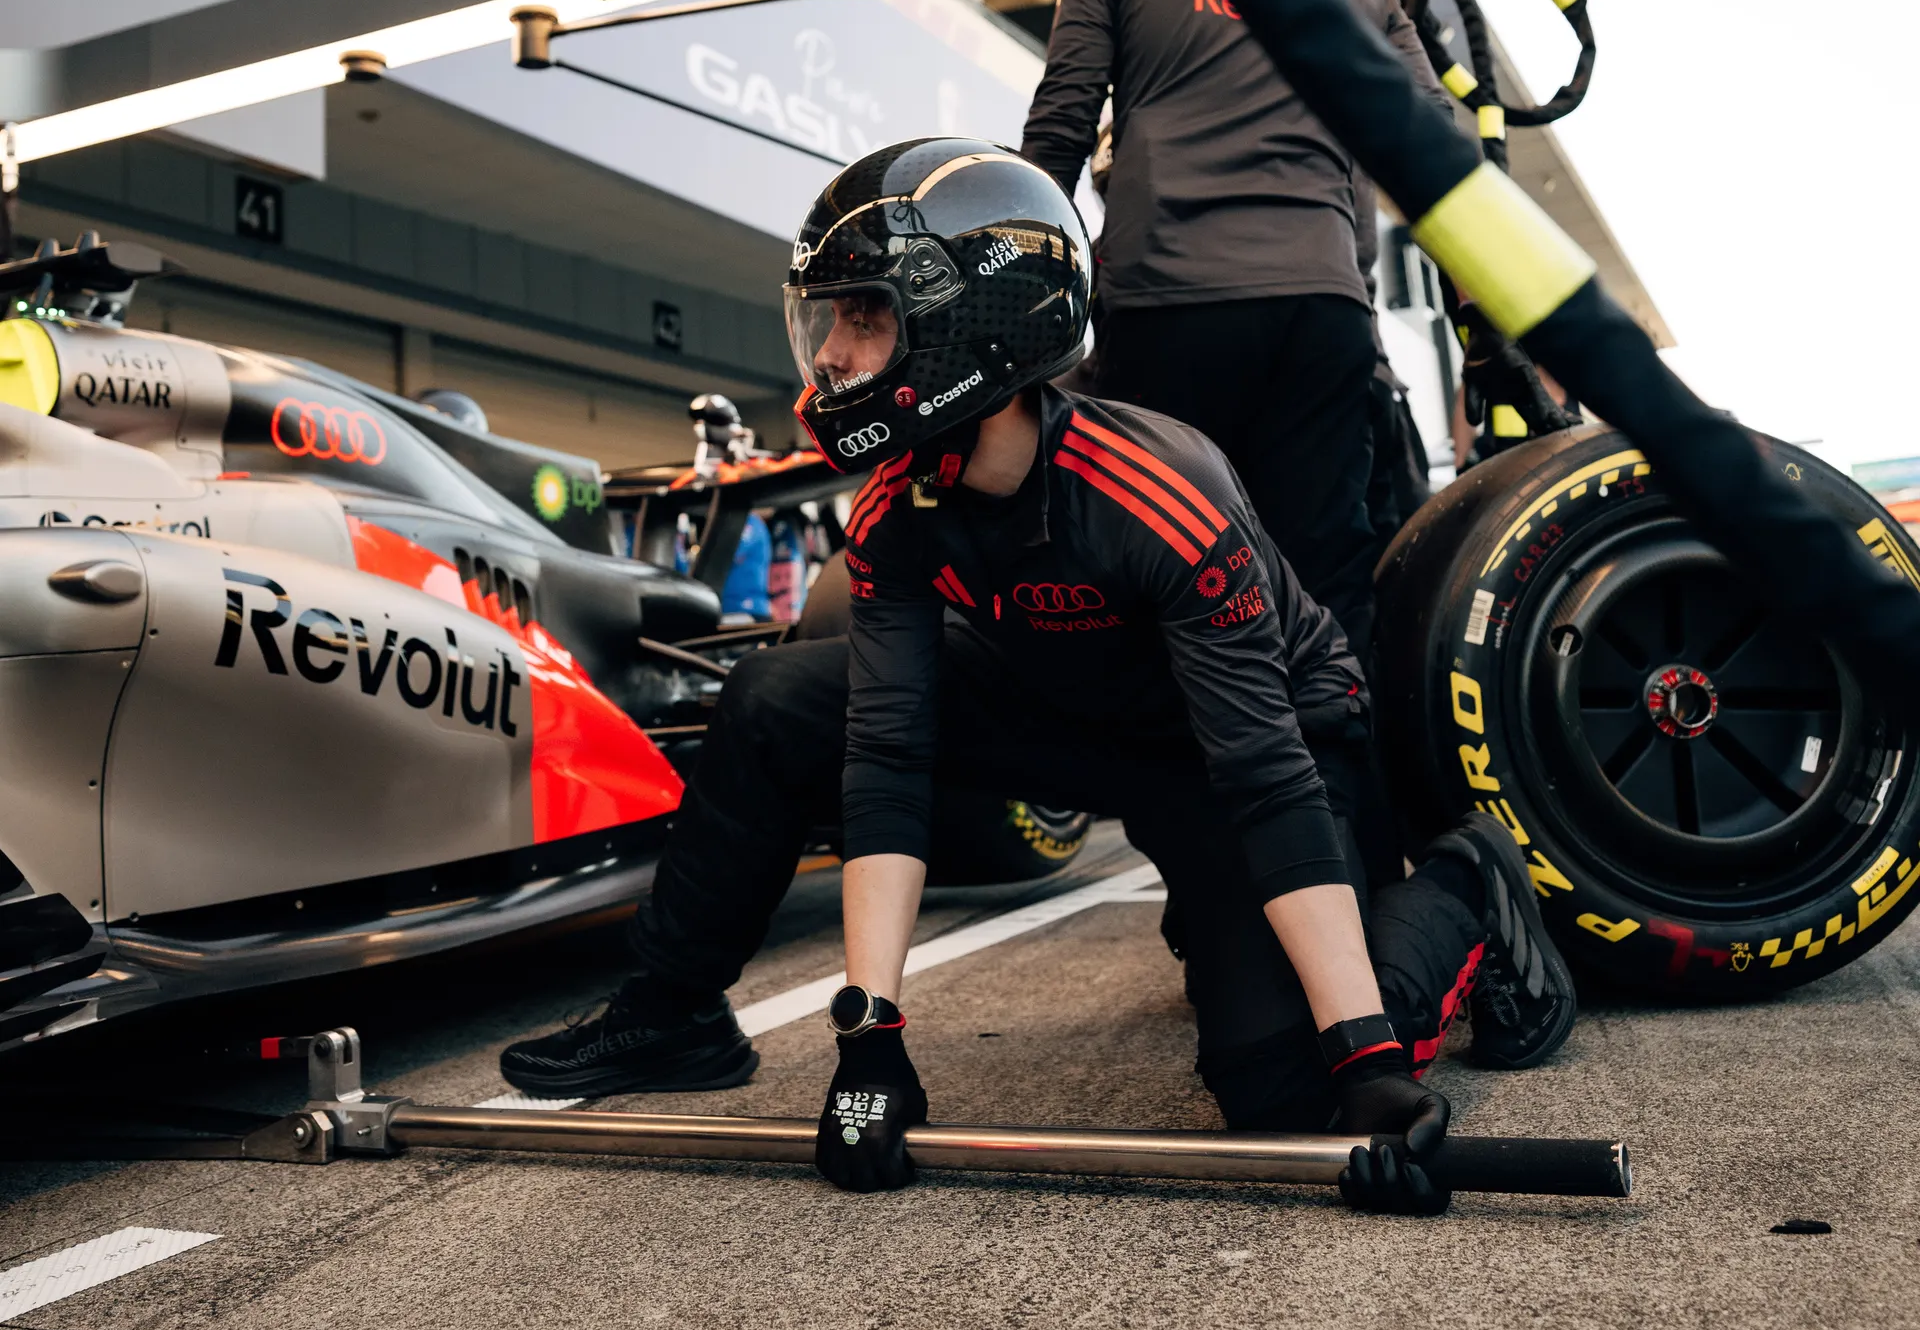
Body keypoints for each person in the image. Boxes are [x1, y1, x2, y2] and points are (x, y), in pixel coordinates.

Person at [501, 142, 1576, 1215]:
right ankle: (675, 1010)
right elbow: (886, 758)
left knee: (1286, 1097)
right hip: (1072, 704)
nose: (828, 354)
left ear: (973, 329)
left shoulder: (1159, 492)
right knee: (778, 700)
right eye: (826, 319)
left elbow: (1265, 776)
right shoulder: (894, 506)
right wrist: (868, 1038)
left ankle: (1466, 886)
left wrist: (1363, 1062)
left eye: (863, 316)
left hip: (1255, 740)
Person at [1019, 0, 1445, 672]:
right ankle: (1341, 800)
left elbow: (1059, 129)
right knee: (1325, 571)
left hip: (1173, 310)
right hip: (1324, 316)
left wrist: (1026, 291)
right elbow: (1434, 148)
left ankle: (1202, 794)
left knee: (1165, 563)